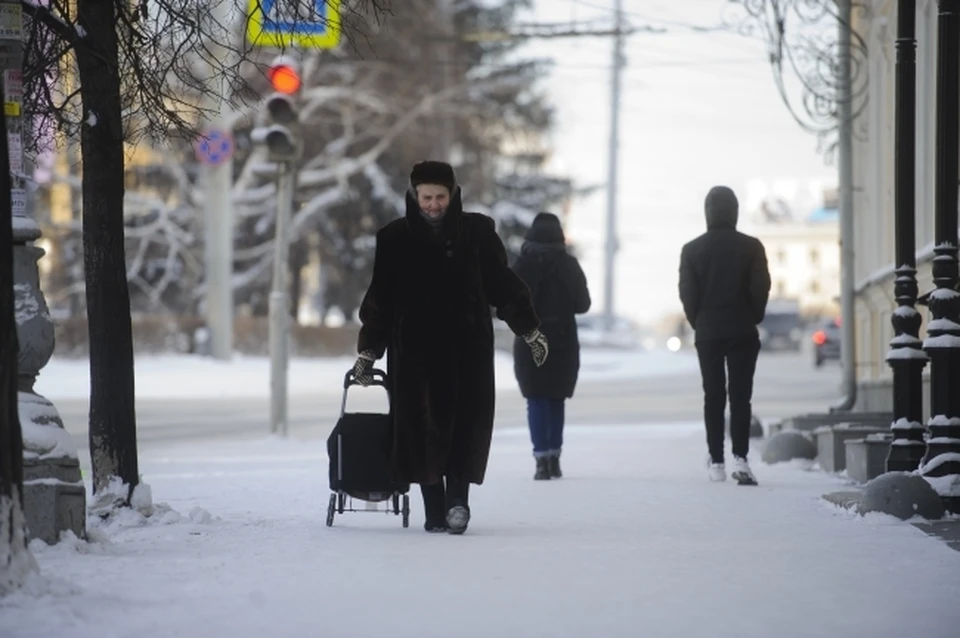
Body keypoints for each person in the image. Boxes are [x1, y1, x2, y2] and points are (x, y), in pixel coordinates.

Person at [353, 160, 549, 534]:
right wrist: (368, 350)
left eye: (440, 196)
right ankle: (434, 509)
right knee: (421, 430)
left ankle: (458, 502)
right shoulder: (394, 238)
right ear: (414, 195)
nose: (433, 205)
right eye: (426, 197)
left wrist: (529, 329)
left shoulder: (476, 233)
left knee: (464, 427)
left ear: (453, 194)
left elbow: (502, 284)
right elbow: (381, 299)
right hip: (414, 355)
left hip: (467, 351)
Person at [678, 185, 771, 484]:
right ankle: (741, 459)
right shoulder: (752, 247)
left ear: (707, 212)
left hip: (708, 331)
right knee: (741, 396)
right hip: (743, 329)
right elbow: (761, 288)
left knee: (713, 395)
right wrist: (752, 316)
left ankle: (716, 461)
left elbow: (687, 294)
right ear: (735, 212)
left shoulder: (692, 250)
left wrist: (699, 322)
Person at [511, 212, 591, 480]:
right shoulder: (569, 265)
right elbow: (583, 305)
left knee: (536, 398)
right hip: (562, 340)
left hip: (529, 339)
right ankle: (555, 458)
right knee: (556, 398)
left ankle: (541, 460)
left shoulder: (522, 265)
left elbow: (506, 304)